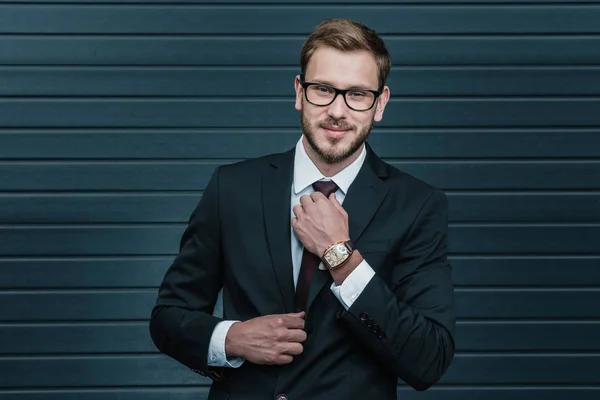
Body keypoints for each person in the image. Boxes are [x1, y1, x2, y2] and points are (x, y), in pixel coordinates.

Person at [149, 18, 455, 400]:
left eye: (357, 94)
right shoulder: (232, 187)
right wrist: (230, 338)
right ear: (299, 92)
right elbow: (167, 318)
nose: (338, 111)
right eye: (323, 89)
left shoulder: (417, 205)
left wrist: (341, 257)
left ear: (380, 103)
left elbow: (428, 358)